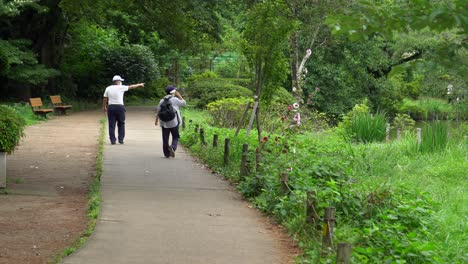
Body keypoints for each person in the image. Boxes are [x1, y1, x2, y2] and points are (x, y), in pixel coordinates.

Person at [103, 75, 144, 145]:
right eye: (120, 81)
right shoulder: (121, 87)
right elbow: (131, 86)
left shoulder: (108, 88)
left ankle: (113, 140)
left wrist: (104, 106)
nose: (121, 82)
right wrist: (139, 84)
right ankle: (121, 139)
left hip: (111, 107)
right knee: (121, 123)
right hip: (120, 107)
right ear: (118, 81)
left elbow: (105, 98)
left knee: (111, 124)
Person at [155, 85, 186, 158]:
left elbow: (158, 111)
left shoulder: (162, 100)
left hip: (164, 122)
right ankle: (173, 147)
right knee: (175, 136)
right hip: (174, 122)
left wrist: (156, 120)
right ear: (173, 92)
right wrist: (179, 95)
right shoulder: (175, 99)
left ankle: (166, 154)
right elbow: (184, 103)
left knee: (165, 138)